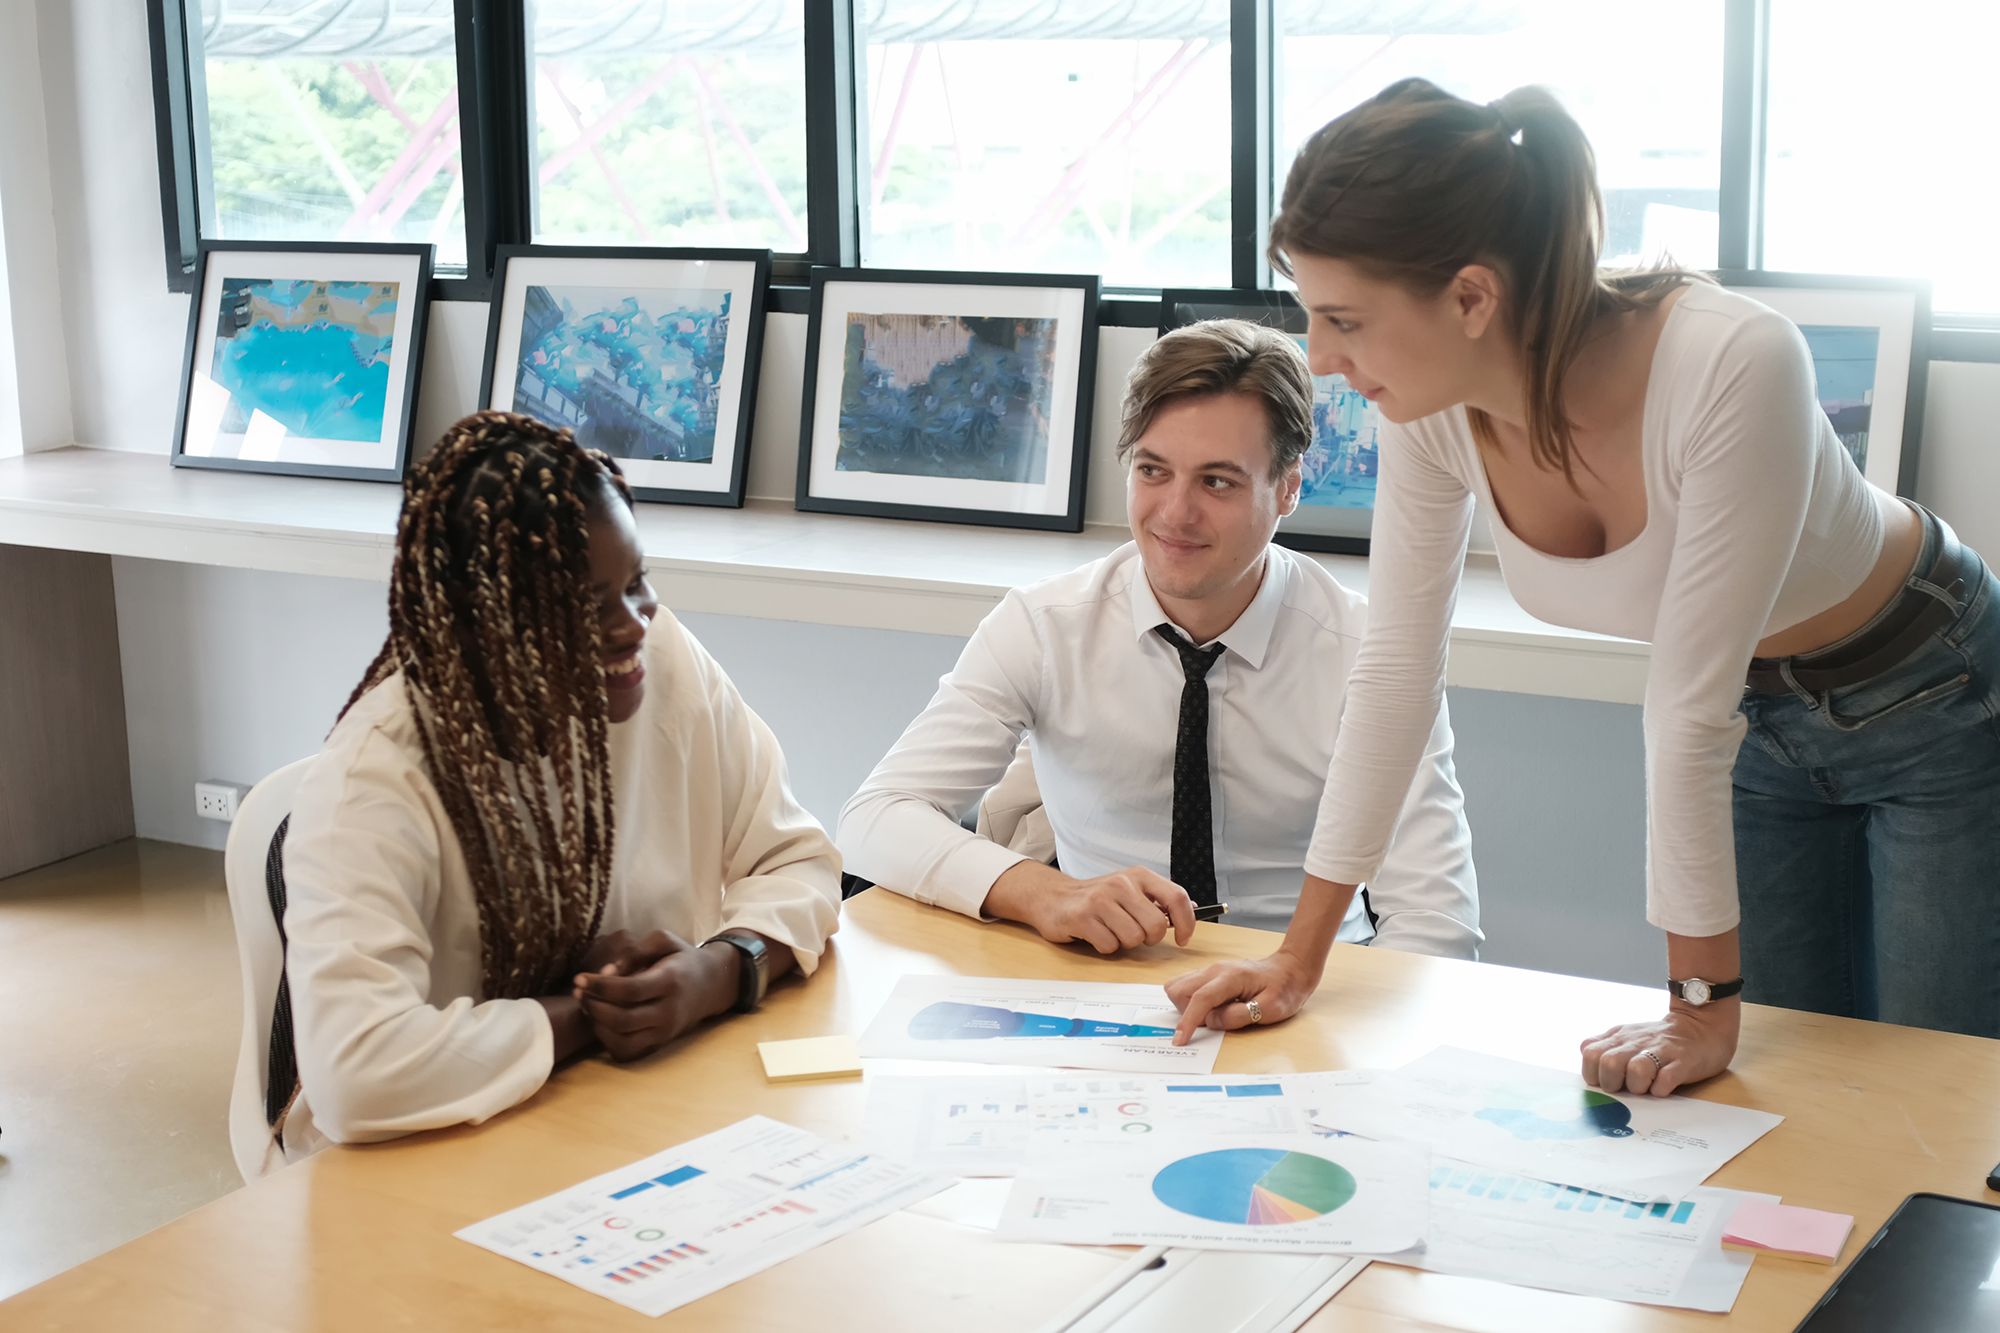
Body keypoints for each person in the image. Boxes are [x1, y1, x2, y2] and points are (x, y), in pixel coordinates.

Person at [1166, 77, 2000, 1088]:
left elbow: (1683, 710)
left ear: (1471, 297)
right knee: (1797, 1089)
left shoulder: (1731, 360)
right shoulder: (1428, 406)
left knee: (1944, 1091)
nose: (1323, 357)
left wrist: (1695, 1010)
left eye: (1343, 318)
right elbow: (1393, 675)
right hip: (1756, 717)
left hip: (1930, 690)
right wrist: (1300, 959)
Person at [245, 412, 839, 1174]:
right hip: (414, 1163)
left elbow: (800, 859)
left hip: (614, 1123)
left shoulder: (663, 661)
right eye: (586, 606)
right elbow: (356, 1074)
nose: (635, 624)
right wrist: (589, 1018)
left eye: (637, 582)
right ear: (484, 628)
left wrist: (722, 971)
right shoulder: (373, 779)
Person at [838, 319, 1480, 961]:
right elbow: (874, 818)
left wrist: (1325, 1001)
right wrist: (1045, 893)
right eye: (1153, 471)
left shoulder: (1371, 654)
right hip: (1096, 972)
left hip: (1314, 976)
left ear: (1289, 487)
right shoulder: (1043, 626)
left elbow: (1435, 918)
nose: (1175, 514)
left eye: (1217, 481)